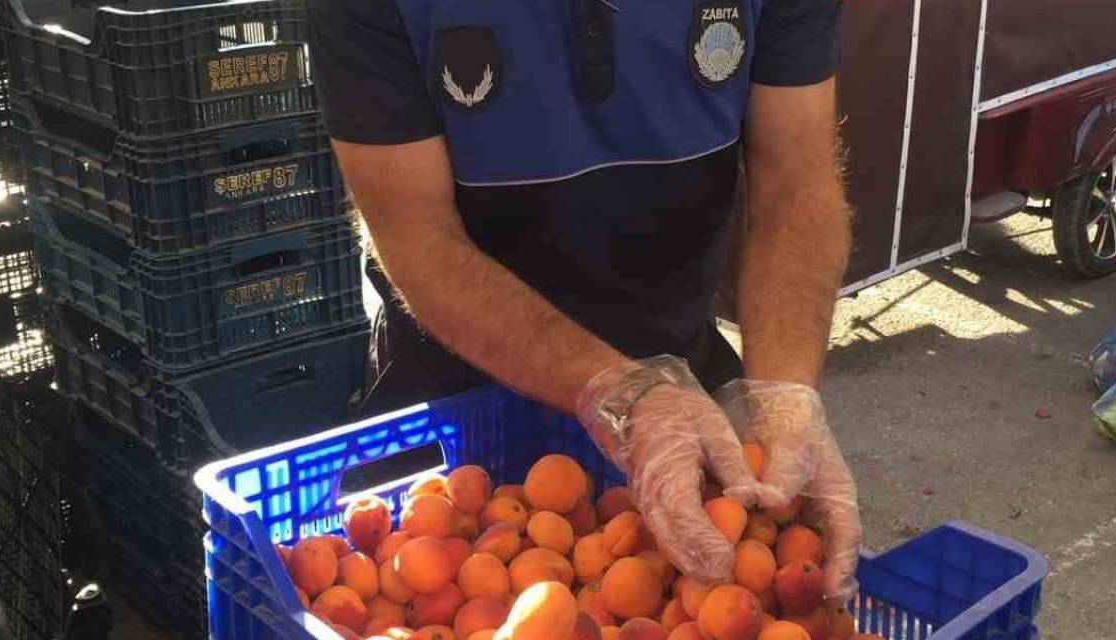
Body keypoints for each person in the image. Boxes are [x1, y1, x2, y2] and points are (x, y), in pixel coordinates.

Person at [304, 0, 861, 608]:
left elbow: (796, 177)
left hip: (682, 386)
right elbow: (414, 234)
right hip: (455, 407)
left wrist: (783, 396)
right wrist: (617, 390)